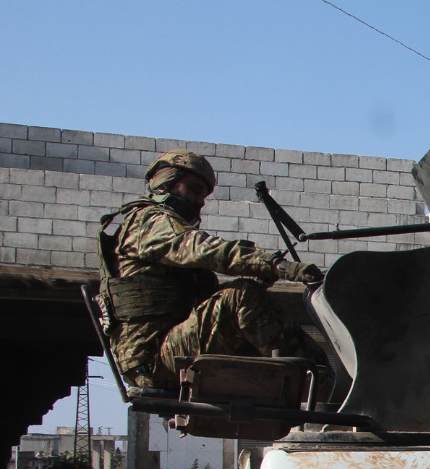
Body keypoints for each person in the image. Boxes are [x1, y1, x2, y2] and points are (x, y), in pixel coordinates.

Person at [96, 149, 324, 389]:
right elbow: (202, 248)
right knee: (240, 296)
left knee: (246, 304)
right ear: (166, 182)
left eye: (204, 196)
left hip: (165, 349)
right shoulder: (147, 222)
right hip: (155, 359)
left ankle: (304, 382)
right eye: (194, 190)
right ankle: (320, 384)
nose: (200, 202)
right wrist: (276, 265)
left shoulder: (152, 226)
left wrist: (261, 275)